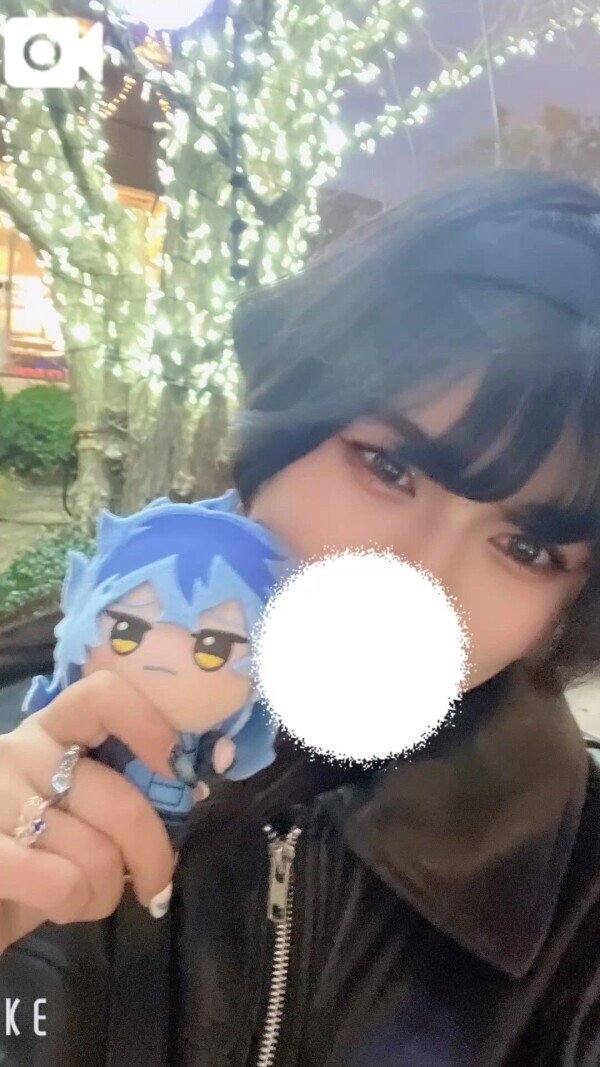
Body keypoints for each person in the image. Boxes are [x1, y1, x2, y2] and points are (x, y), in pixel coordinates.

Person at [1, 168, 600, 1066]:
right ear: (281, 426)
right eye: (387, 467)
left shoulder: (575, 904)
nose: (415, 581)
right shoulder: (17, 727)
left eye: (526, 547)